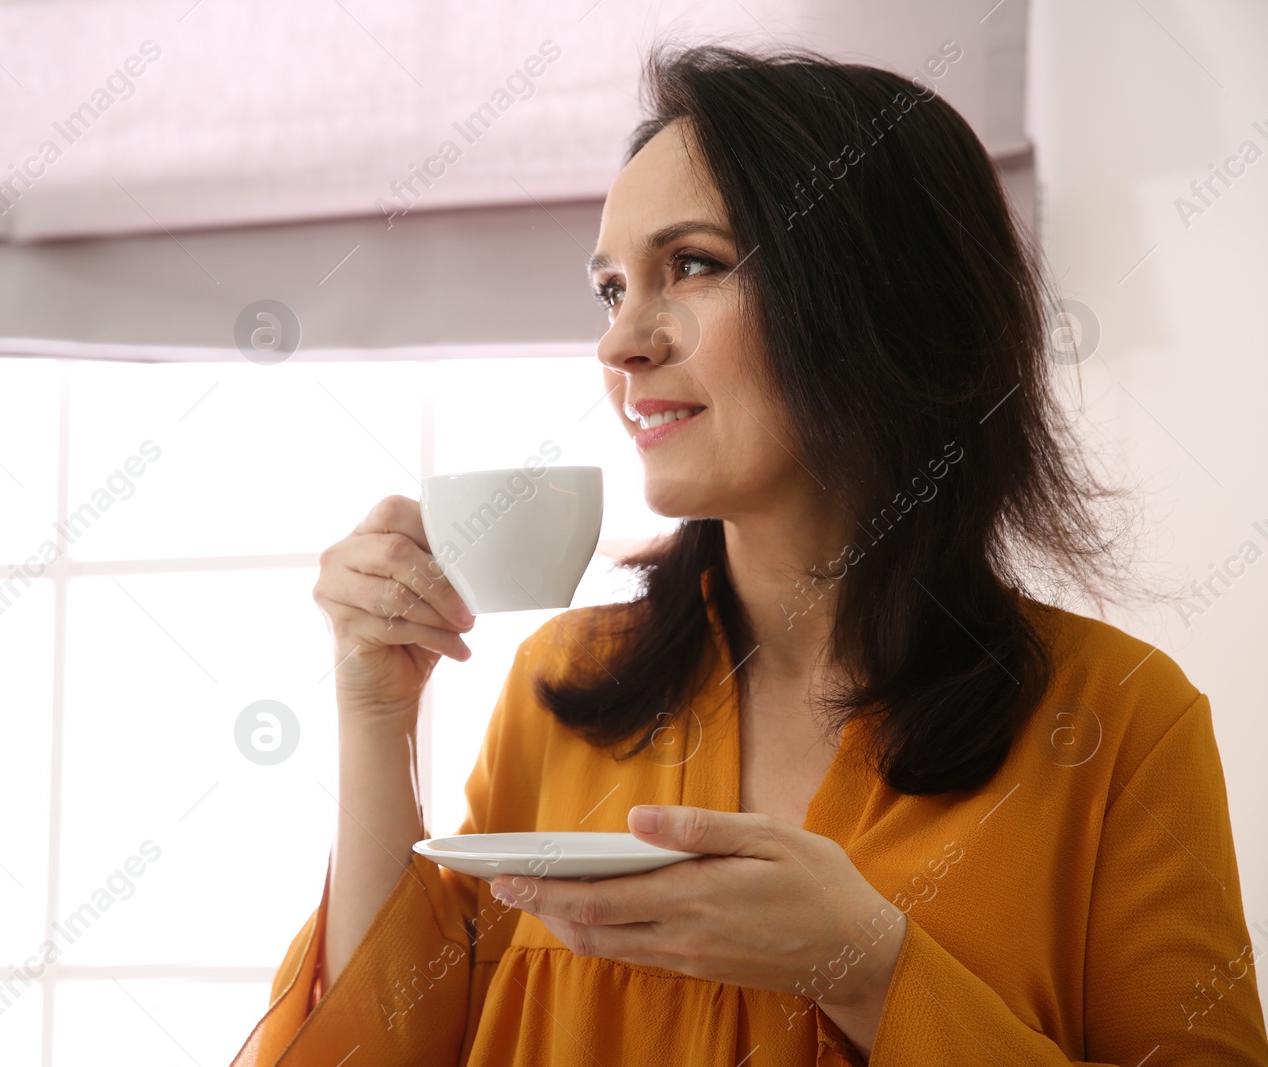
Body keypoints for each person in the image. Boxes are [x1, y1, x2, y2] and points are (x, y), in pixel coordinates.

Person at [231, 42, 1268, 1065]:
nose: (619, 342)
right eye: (608, 288)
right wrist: (374, 713)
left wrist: (868, 968)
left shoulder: (1119, 722)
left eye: (690, 265)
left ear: (877, 299)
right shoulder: (563, 686)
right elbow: (378, 1049)